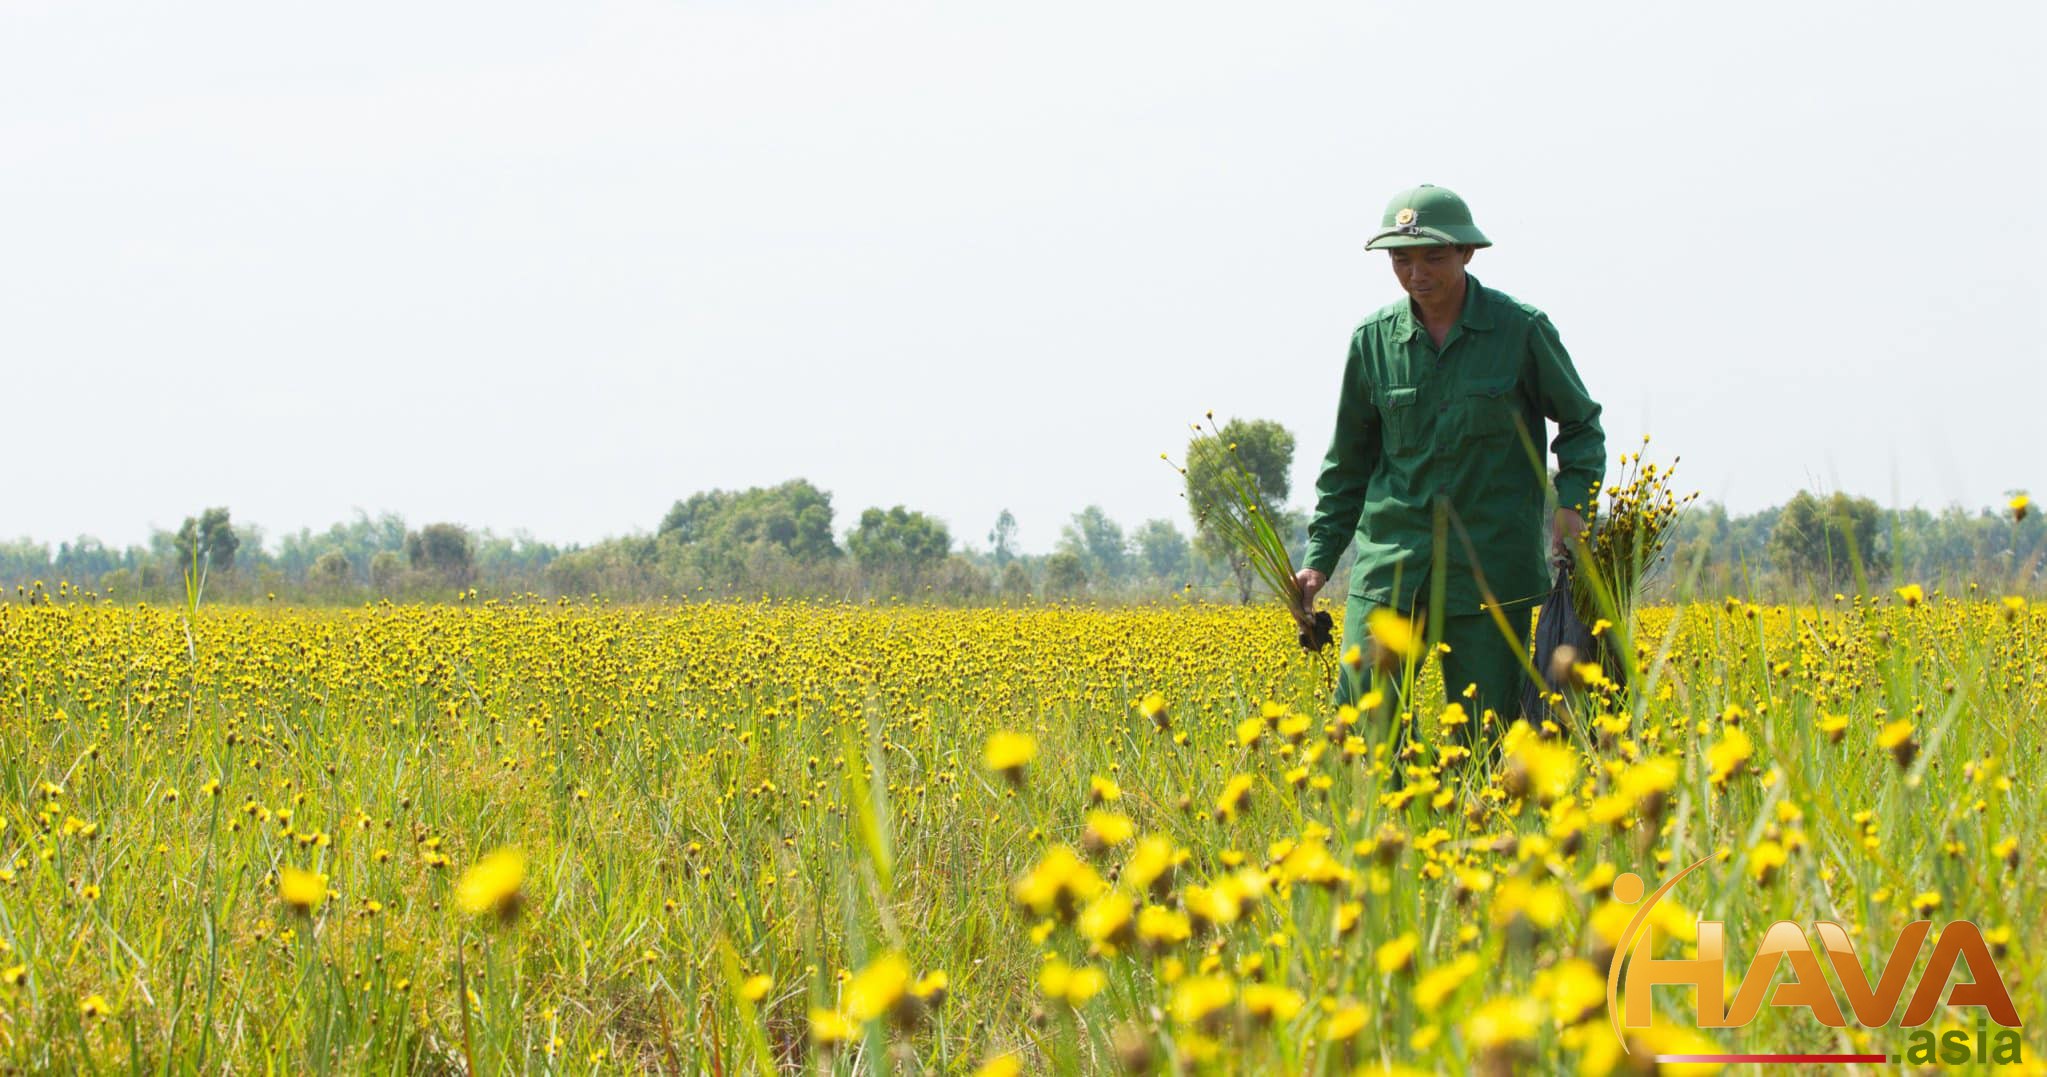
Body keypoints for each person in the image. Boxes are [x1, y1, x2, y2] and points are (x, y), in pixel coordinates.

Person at [1292, 183, 1605, 758]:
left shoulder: (1521, 330)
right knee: (1366, 727)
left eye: (1434, 256)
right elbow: (1347, 465)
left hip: (1490, 574)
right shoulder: (1372, 342)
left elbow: (1581, 425)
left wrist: (1572, 503)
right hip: (1391, 566)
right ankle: (1387, 840)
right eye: (1401, 259)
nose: (1417, 273)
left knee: (1490, 738)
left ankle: (1485, 843)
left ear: (1467, 253)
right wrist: (1318, 561)